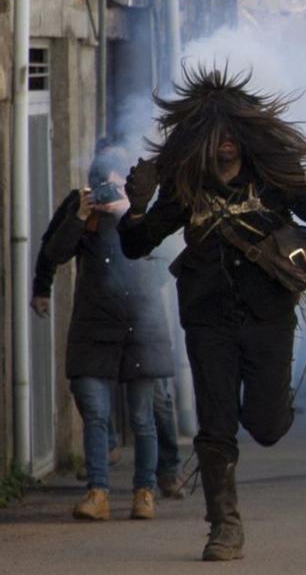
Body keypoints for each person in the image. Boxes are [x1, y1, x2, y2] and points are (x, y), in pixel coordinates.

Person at [118, 66, 306, 561]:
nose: (225, 142)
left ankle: (275, 408)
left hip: (269, 315)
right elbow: (138, 243)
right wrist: (138, 210)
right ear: (200, 136)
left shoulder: (275, 176)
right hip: (207, 317)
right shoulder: (187, 184)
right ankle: (223, 526)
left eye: (233, 132)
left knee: (267, 426)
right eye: (216, 133)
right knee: (216, 424)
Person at [32, 145, 174, 521]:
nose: (111, 188)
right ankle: (98, 492)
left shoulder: (145, 206)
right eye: (104, 179)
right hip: (94, 325)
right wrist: (80, 216)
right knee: (94, 412)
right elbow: (55, 251)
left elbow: (167, 263)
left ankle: (145, 492)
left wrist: (130, 213)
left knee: (143, 417)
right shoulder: (83, 207)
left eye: (118, 179)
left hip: (141, 324)